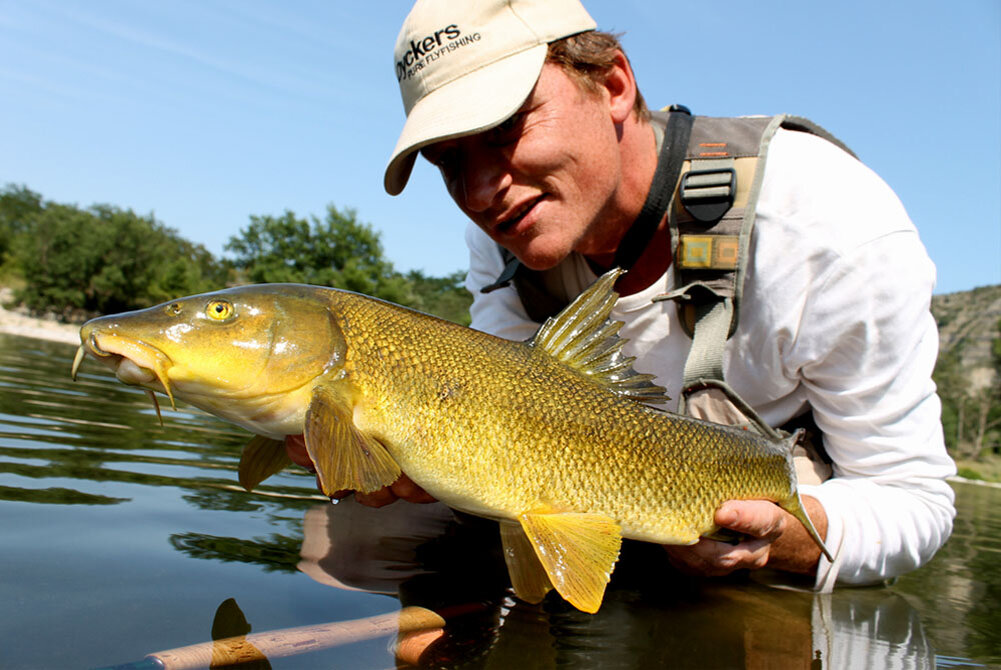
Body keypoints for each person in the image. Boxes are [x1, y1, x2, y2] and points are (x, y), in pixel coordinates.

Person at [288, 0, 956, 590]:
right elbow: (504, 424)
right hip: (573, 488)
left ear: (611, 84)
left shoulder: (828, 223)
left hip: (761, 525)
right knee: (345, 542)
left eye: (505, 129)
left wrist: (780, 541)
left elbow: (912, 500)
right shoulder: (510, 231)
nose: (482, 189)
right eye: (449, 160)